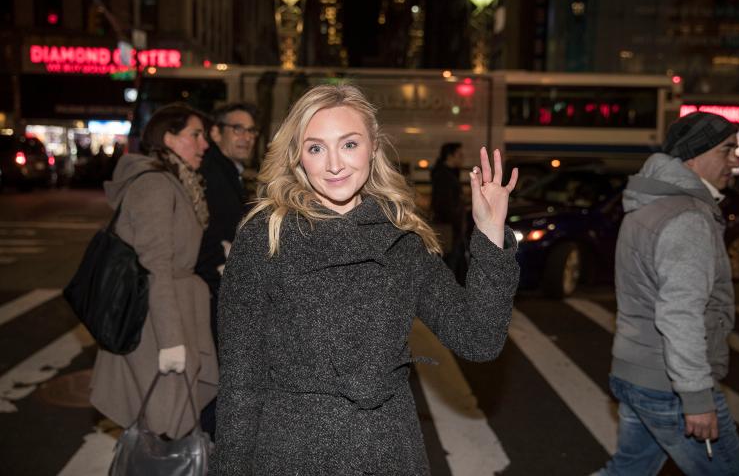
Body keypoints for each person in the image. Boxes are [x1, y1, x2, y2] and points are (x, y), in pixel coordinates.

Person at [210, 84, 520, 474]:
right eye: (316, 147)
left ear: (373, 147)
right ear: (298, 157)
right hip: (290, 451)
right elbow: (241, 380)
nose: (334, 164)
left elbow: (479, 338)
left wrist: (490, 234)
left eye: (350, 144)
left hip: (386, 450)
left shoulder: (402, 239)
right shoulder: (264, 238)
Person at [598, 112, 739, 475]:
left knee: (629, 471)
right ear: (693, 156)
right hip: (669, 385)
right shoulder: (687, 217)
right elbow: (679, 314)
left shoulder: (646, 206)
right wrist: (696, 398)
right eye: (726, 150)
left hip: (634, 371)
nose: (735, 161)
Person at [89, 104, 219, 439]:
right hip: (158, 325)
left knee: (170, 424)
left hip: (174, 313)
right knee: (164, 427)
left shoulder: (176, 182)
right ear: (169, 138)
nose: (204, 144)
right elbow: (156, 266)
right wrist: (171, 342)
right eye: (196, 134)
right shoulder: (156, 186)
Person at [196, 102, 259, 438]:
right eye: (238, 129)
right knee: (217, 382)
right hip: (213, 294)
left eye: (251, 131)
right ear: (216, 132)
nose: (246, 137)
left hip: (221, 292)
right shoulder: (212, 174)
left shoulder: (229, 172)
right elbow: (213, 238)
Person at [430, 142, 468, 282]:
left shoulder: (449, 173)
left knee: (452, 267)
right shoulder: (444, 176)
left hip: (452, 230)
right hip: (448, 230)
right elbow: (444, 206)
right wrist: (456, 223)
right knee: (448, 269)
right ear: (450, 156)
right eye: (459, 155)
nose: (462, 158)